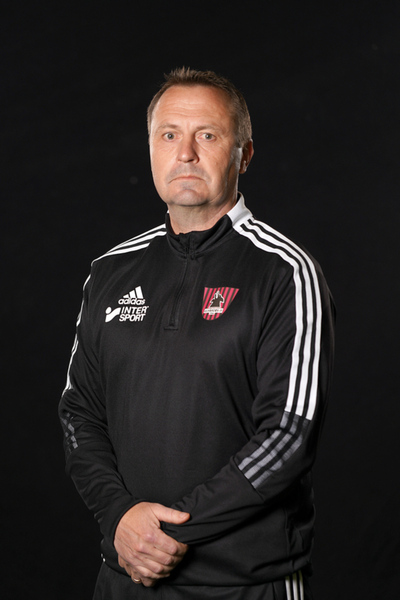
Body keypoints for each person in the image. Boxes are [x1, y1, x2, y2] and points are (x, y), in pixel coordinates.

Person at [59, 67, 335, 600]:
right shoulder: (110, 271)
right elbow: (79, 414)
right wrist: (120, 518)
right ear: (151, 149)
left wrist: (167, 534)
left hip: (243, 584)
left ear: (244, 154)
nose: (185, 153)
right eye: (169, 135)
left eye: (207, 135)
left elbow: (288, 436)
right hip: (124, 576)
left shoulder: (285, 273)